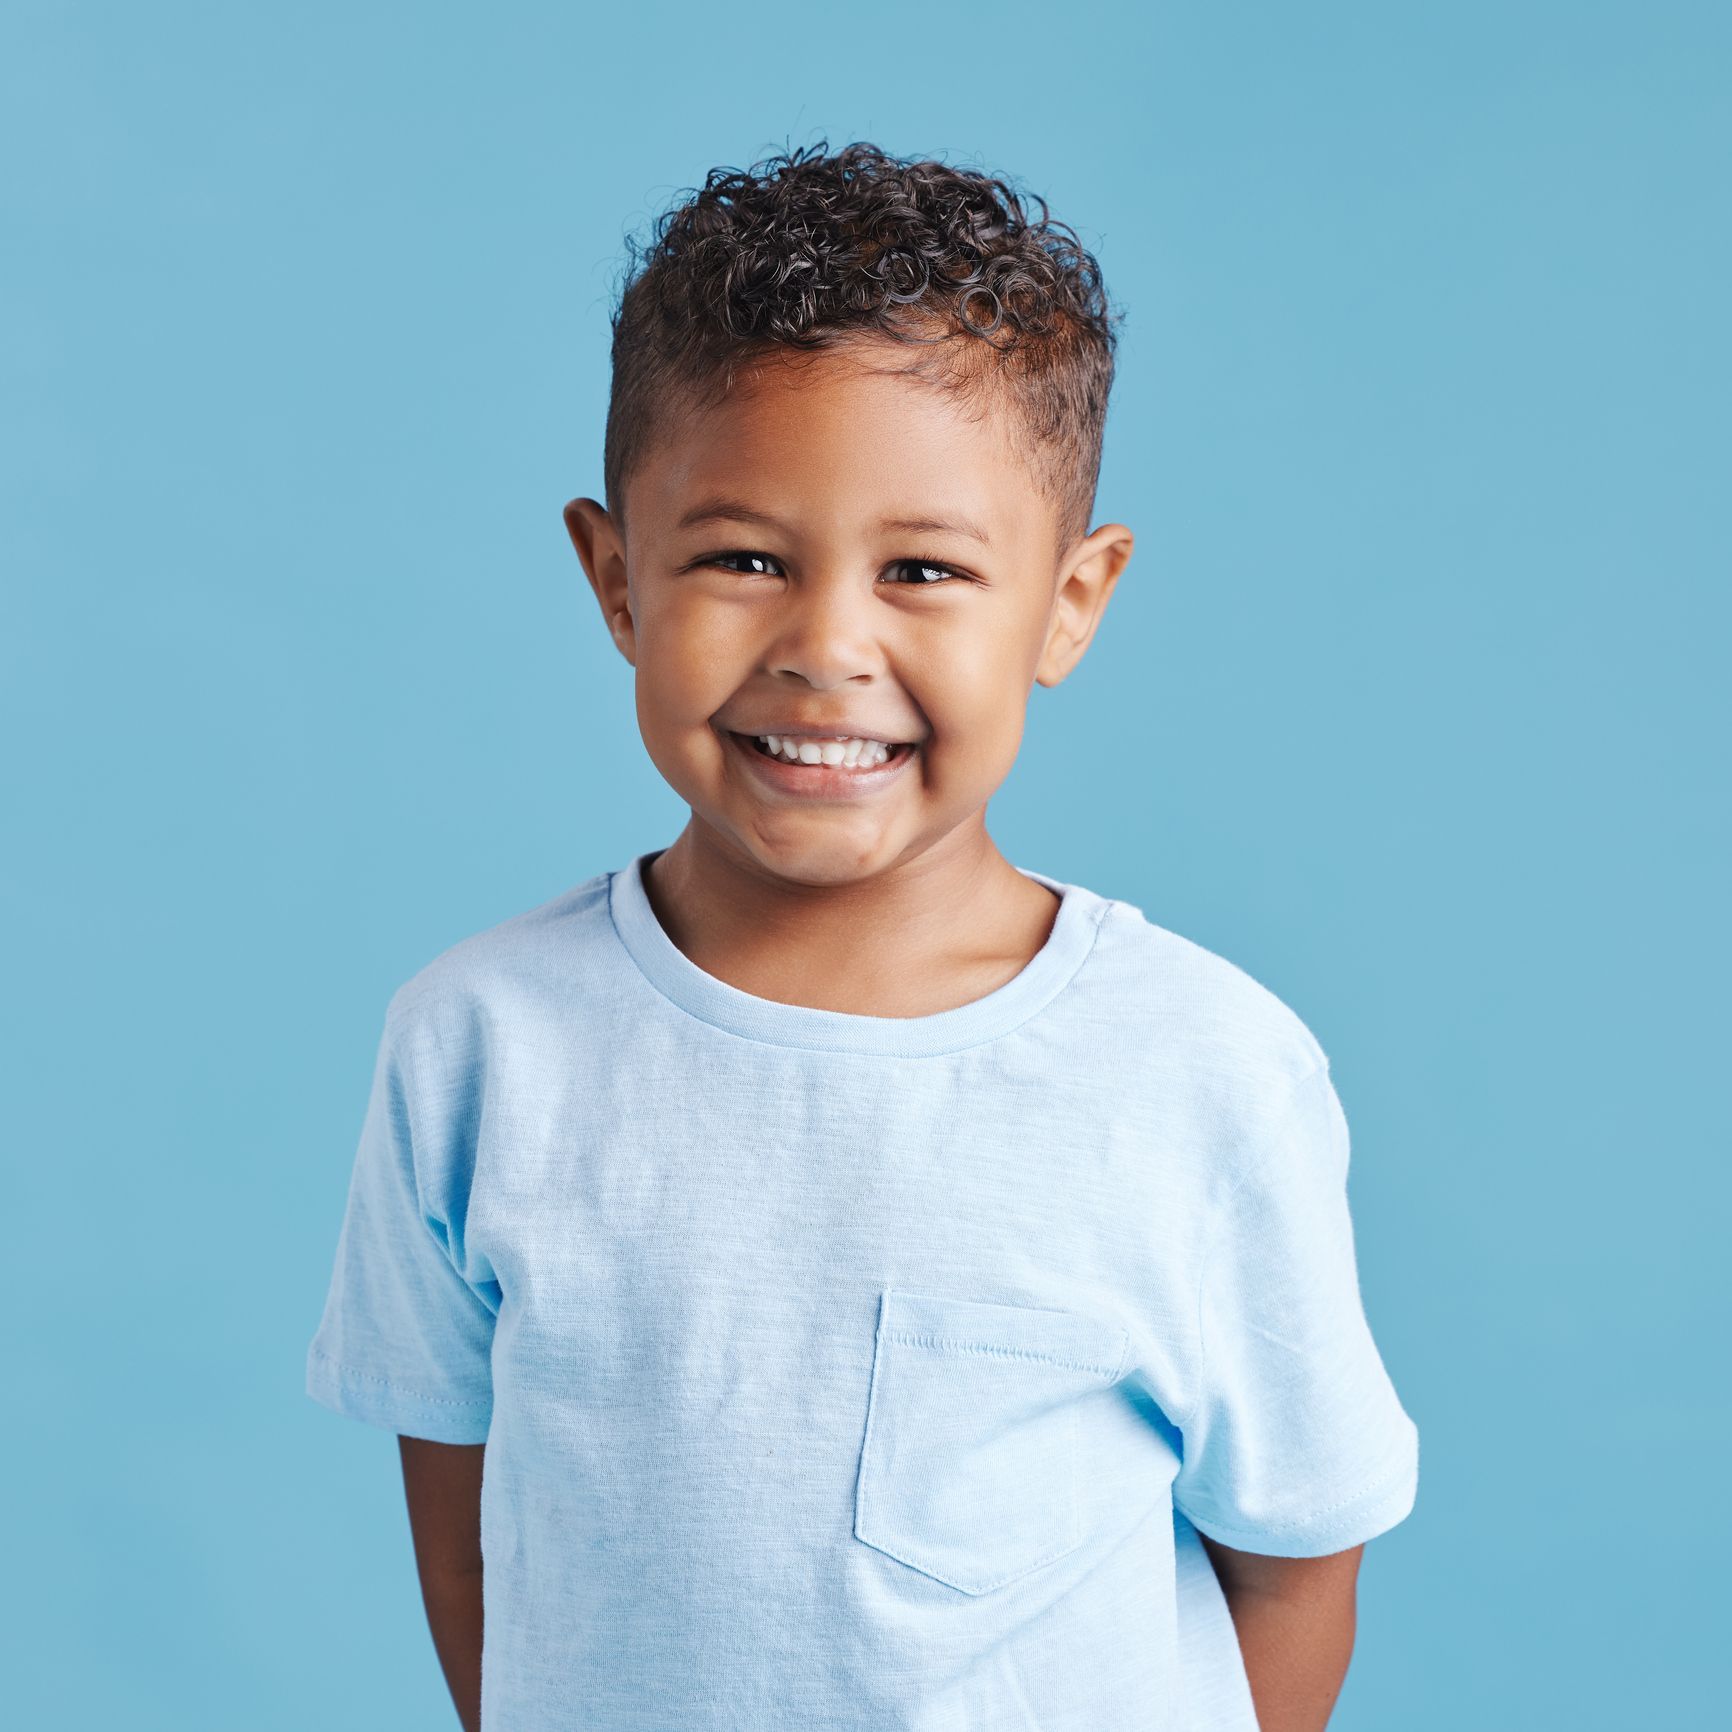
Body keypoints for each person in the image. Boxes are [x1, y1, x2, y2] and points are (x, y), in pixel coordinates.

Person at [305, 139, 1420, 1732]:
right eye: (743, 559)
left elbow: (1298, 1570)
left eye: (924, 570)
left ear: (1069, 604)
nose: (828, 646)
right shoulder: (477, 1045)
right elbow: (472, 1541)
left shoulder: (1202, 1073)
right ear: (616, 578)